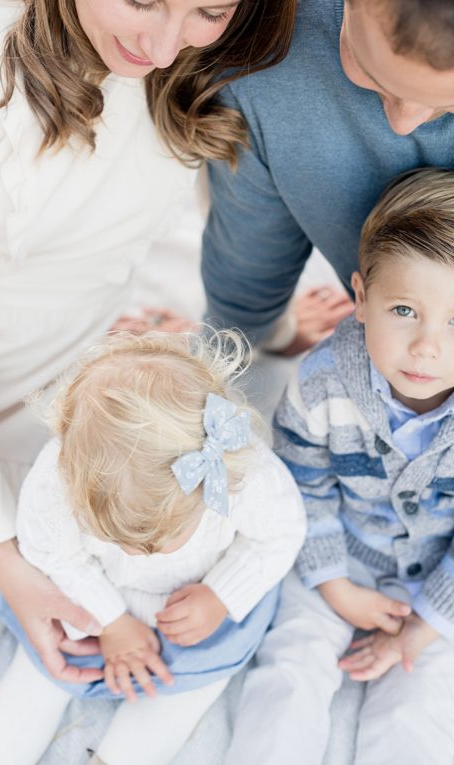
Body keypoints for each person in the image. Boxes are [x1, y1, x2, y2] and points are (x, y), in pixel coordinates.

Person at [0, 0, 298, 680]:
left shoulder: (207, 63)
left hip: (82, 405)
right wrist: (2, 553)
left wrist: (271, 328)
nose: (164, 49)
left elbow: (217, 231)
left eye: (209, 10)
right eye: (142, 1)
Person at [0, 331, 305, 764]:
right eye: (118, 538)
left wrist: (221, 595)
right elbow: (53, 554)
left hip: (195, 603)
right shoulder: (58, 479)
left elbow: (279, 535)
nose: (137, 554)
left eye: (159, 539)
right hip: (91, 593)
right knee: (40, 670)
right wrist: (111, 620)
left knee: (182, 691)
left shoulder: (242, 472)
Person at [225, 168, 454, 764]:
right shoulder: (323, 381)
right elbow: (301, 486)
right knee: (291, 668)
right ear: (360, 297)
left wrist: (424, 623)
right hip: (338, 553)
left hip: (440, 582)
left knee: (421, 703)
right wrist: (335, 585)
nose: (428, 345)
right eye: (404, 309)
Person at [202, 0, 454, 353]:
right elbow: (248, 269)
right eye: (372, 74)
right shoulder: (263, 62)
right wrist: (228, 343)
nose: (402, 124)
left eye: (447, 103)